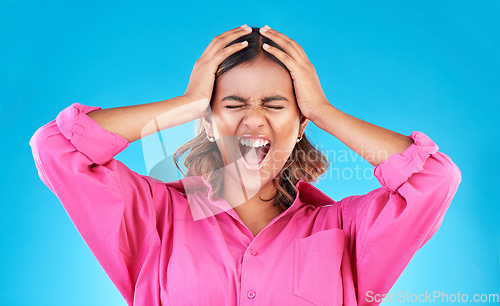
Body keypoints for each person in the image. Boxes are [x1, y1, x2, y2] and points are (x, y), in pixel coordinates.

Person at [29, 24, 461, 305]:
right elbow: (56, 148)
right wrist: (186, 104)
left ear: (301, 122)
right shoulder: (157, 217)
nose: (254, 120)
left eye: (276, 104)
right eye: (233, 104)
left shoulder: (345, 230)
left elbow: (435, 179)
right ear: (209, 121)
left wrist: (324, 110)